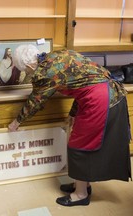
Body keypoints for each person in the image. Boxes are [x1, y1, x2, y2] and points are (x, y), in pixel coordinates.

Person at [8, 44, 131, 207]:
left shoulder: (44, 73)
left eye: (25, 70)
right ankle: (82, 185)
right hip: (103, 94)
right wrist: (73, 113)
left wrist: (16, 123)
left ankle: (80, 195)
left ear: (30, 65)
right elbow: (83, 83)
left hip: (100, 100)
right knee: (83, 144)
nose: (27, 73)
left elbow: (35, 101)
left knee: (79, 146)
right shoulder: (55, 55)